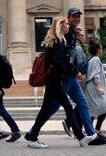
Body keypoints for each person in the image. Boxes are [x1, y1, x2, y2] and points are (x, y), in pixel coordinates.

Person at [38, 7, 106, 146]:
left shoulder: (70, 34)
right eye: (74, 17)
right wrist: (74, 71)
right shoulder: (66, 35)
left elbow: (69, 58)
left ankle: (90, 134)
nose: (77, 19)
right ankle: (33, 132)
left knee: (82, 103)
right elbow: (64, 59)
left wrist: (74, 71)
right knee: (53, 107)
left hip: (69, 76)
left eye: (78, 16)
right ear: (68, 18)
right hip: (64, 77)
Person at [25, 16, 97, 148]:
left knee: (49, 109)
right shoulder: (58, 42)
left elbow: (53, 62)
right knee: (64, 107)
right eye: (66, 24)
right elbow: (57, 62)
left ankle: (32, 136)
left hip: (54, 80)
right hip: (55, 80)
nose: (68, 26)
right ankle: (80, 137)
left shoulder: (57, 40)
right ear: (60, 26)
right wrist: (67, 71)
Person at [84, 40, 106, 142]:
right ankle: (95, 131)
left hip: (92, 87)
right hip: (94, 87)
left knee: (93, 110)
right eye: (101, 48)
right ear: (98, 50)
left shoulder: (92, 59)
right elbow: (96, 74)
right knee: (104, 107)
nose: (102, 50)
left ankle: (92, 132)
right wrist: (99, 86)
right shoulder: (95, 59)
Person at [62, 26, 87, 133]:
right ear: (76, 37)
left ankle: (78, 129)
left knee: (81, 103)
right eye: (81, 35)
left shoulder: (75, 48)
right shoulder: (78, 49)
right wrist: (81, 76)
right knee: (83, 103)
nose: (84, 37)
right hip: (77, 78)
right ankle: (70, 122)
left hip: (73, 77)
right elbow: (80, 64)